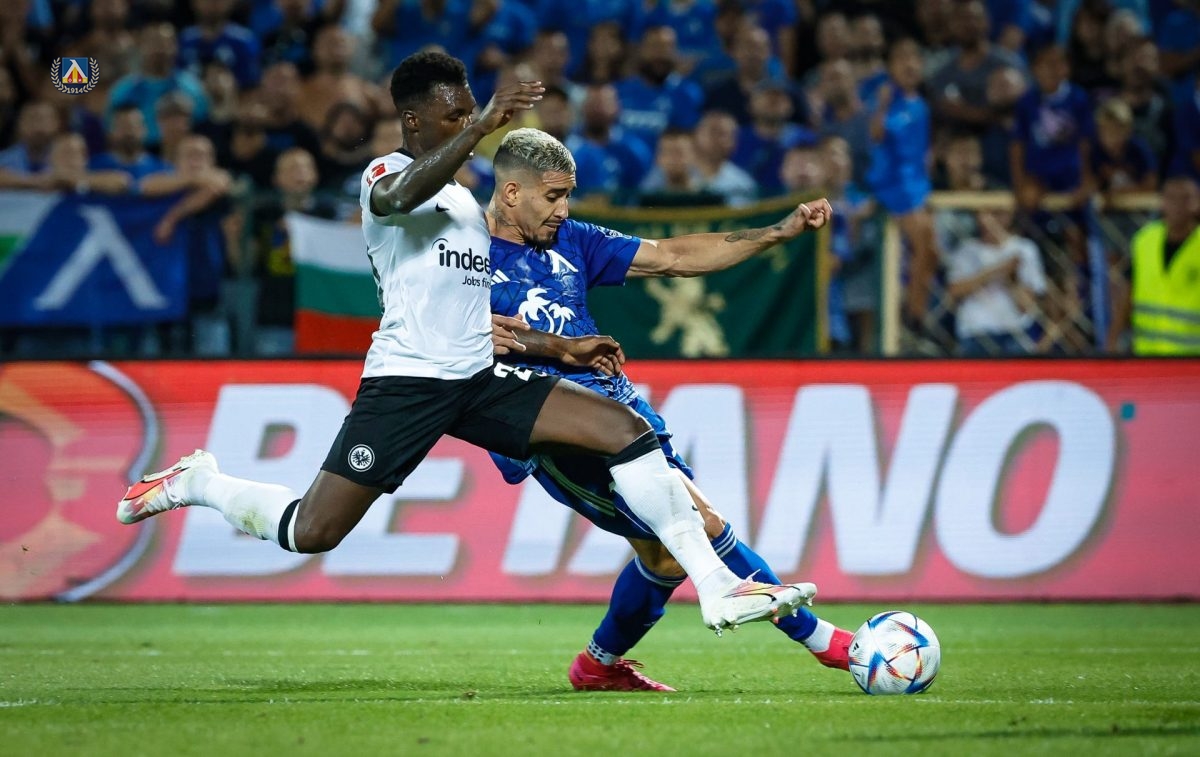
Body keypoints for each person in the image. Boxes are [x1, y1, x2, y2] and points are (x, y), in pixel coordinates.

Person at [116, 51, 818, 636]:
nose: (468, 125)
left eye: (471, 113)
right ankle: (199, 481)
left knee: (625, 428)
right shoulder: (386, 177)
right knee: (313, 530)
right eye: (455, 115)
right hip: (409, 382)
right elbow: (398, 200)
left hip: (480, 380)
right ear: (414, 120)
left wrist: (561, 349)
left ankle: (717, 586)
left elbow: (477, 316)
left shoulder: (464, 203)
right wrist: (482, 127)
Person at [485, 126, 851, 692]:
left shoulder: (572, 240)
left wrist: (777, 233)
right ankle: (827, 643)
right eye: (553, 196)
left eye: (568, 196)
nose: (564, 209)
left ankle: (597, 666)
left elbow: (673, 256)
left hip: (620, 411)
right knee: (700, 522)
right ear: (512, 192)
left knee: (665, 559)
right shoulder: (462, 252)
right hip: (550, 424)